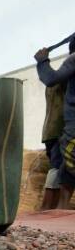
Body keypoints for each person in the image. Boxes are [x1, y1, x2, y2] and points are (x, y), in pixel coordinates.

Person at [36, 36, 75, 208]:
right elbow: (51, 79)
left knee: (61, 169)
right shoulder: (67, 71)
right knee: (62, 170)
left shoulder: (67, 67)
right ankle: (54, 212)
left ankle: (51, 212)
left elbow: (49, 78)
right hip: (59, 131)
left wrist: (42, 62)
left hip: (57, 131)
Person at [40, 83, 65, 209]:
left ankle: (49, 208)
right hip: (60, 131)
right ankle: (47, 208)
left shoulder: (51, 84)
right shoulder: (64, 82)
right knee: (57, 168)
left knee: (56, 167)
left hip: (50, 131)